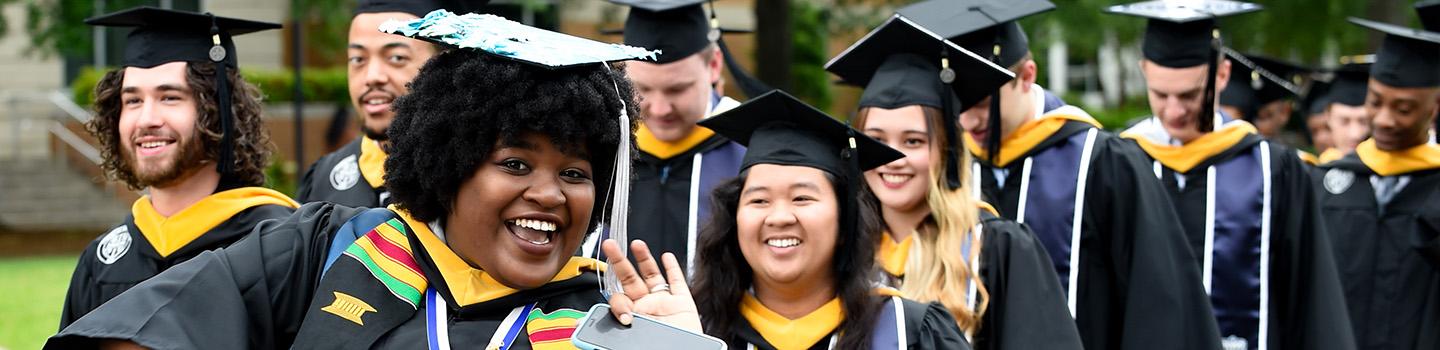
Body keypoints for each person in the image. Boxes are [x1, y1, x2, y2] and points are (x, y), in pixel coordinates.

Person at [48, 12, 697, 349]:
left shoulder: (600, 319)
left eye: (577, 173)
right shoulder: (325, 248)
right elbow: (158, 327)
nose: (550, 193)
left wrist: (674, 349)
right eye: (516, 163)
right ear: (450, 162)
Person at [899, 2, 1216, 349]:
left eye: (984, 104)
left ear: (1027, 76)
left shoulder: (1102, 163)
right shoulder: (943, 168)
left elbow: (1156, 303)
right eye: (957, 107)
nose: (969, 121)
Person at [826, 13, 1083, 350]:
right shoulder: (841, 249)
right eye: (876, 139)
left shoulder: (997, 250)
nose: (892, 158)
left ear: (947, 149)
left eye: (913, 141)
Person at [1108, 1, 1354, 349]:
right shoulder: (1118, 163)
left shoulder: (1273, 169)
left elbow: (1309, 295)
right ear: (1144, 70)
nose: (1174, 111)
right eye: (1160, 94)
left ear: (1222, 74)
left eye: (1190, 94)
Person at [59, 7, 298, 329]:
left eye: (170, 97)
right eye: (133, 101)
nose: (147, 119)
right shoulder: (103, 261)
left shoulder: (281, 243)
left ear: (217, 109)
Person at [691, 90, 970, 349]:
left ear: (845, 221)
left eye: (802, 198)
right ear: (734, 219)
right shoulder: (697, 328)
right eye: (759, 200)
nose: (779, 217)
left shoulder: (907, 332)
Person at [597, 0, 755, 272]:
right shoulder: (603, 145)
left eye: (678, 89)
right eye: (643, 88)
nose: (659, 109)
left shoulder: (750, 150)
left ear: (714, 65)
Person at [1314, 15, 1440, 350]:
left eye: (1403, 109)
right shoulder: (1326, 181)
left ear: (1435, 106)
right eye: (1375, 101)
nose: (1384, 120)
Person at [296, 0, 471, 207]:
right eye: (357, 59)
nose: (372, 77)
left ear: (446, 66)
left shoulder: (473, 174)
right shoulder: (323, 180)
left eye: (396, 58)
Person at [1318, 62, 1373, 164]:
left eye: (1363, 121)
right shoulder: (1315, 170)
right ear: (1328, 116)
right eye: (1344, 121)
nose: (1355, 134)